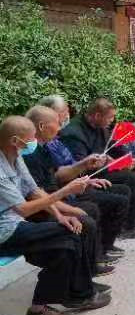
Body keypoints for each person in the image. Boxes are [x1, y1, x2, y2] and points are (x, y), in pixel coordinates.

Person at [0, 116, 110, 315]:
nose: (33, 142)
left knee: (67, 240)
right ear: (14, 141)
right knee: (70, 237)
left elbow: (33, 191)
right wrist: (65, 191)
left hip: (15, 224)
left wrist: (60, 216)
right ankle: (79, 294)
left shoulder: (15, 156)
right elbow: (22, 209)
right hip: (5, 231)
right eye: (30, 139)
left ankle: (43, 306)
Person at [24, 105, 128, 272]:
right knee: (85, 217)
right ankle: (83, 275)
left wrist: (83, 166)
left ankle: (92, 262)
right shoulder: (26, 155)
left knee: (92, 209)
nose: (60, 128)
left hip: (55, 197)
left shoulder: (43, 148)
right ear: (42, 126)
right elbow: (35, 194)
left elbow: (57, 175)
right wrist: (65, 210)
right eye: (57, 122)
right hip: (38, 210)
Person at [60, 98, 135, 239]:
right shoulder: (74, 132)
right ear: (97, 115)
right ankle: (128, 226)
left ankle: (127, 221)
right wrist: (113, 164)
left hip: (103, 168)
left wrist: (133, 165)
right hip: (87, 175)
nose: (112, 120)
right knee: (131, 179)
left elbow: (115, 148)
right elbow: (82, 164)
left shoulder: (101, 127)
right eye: (110, 117)